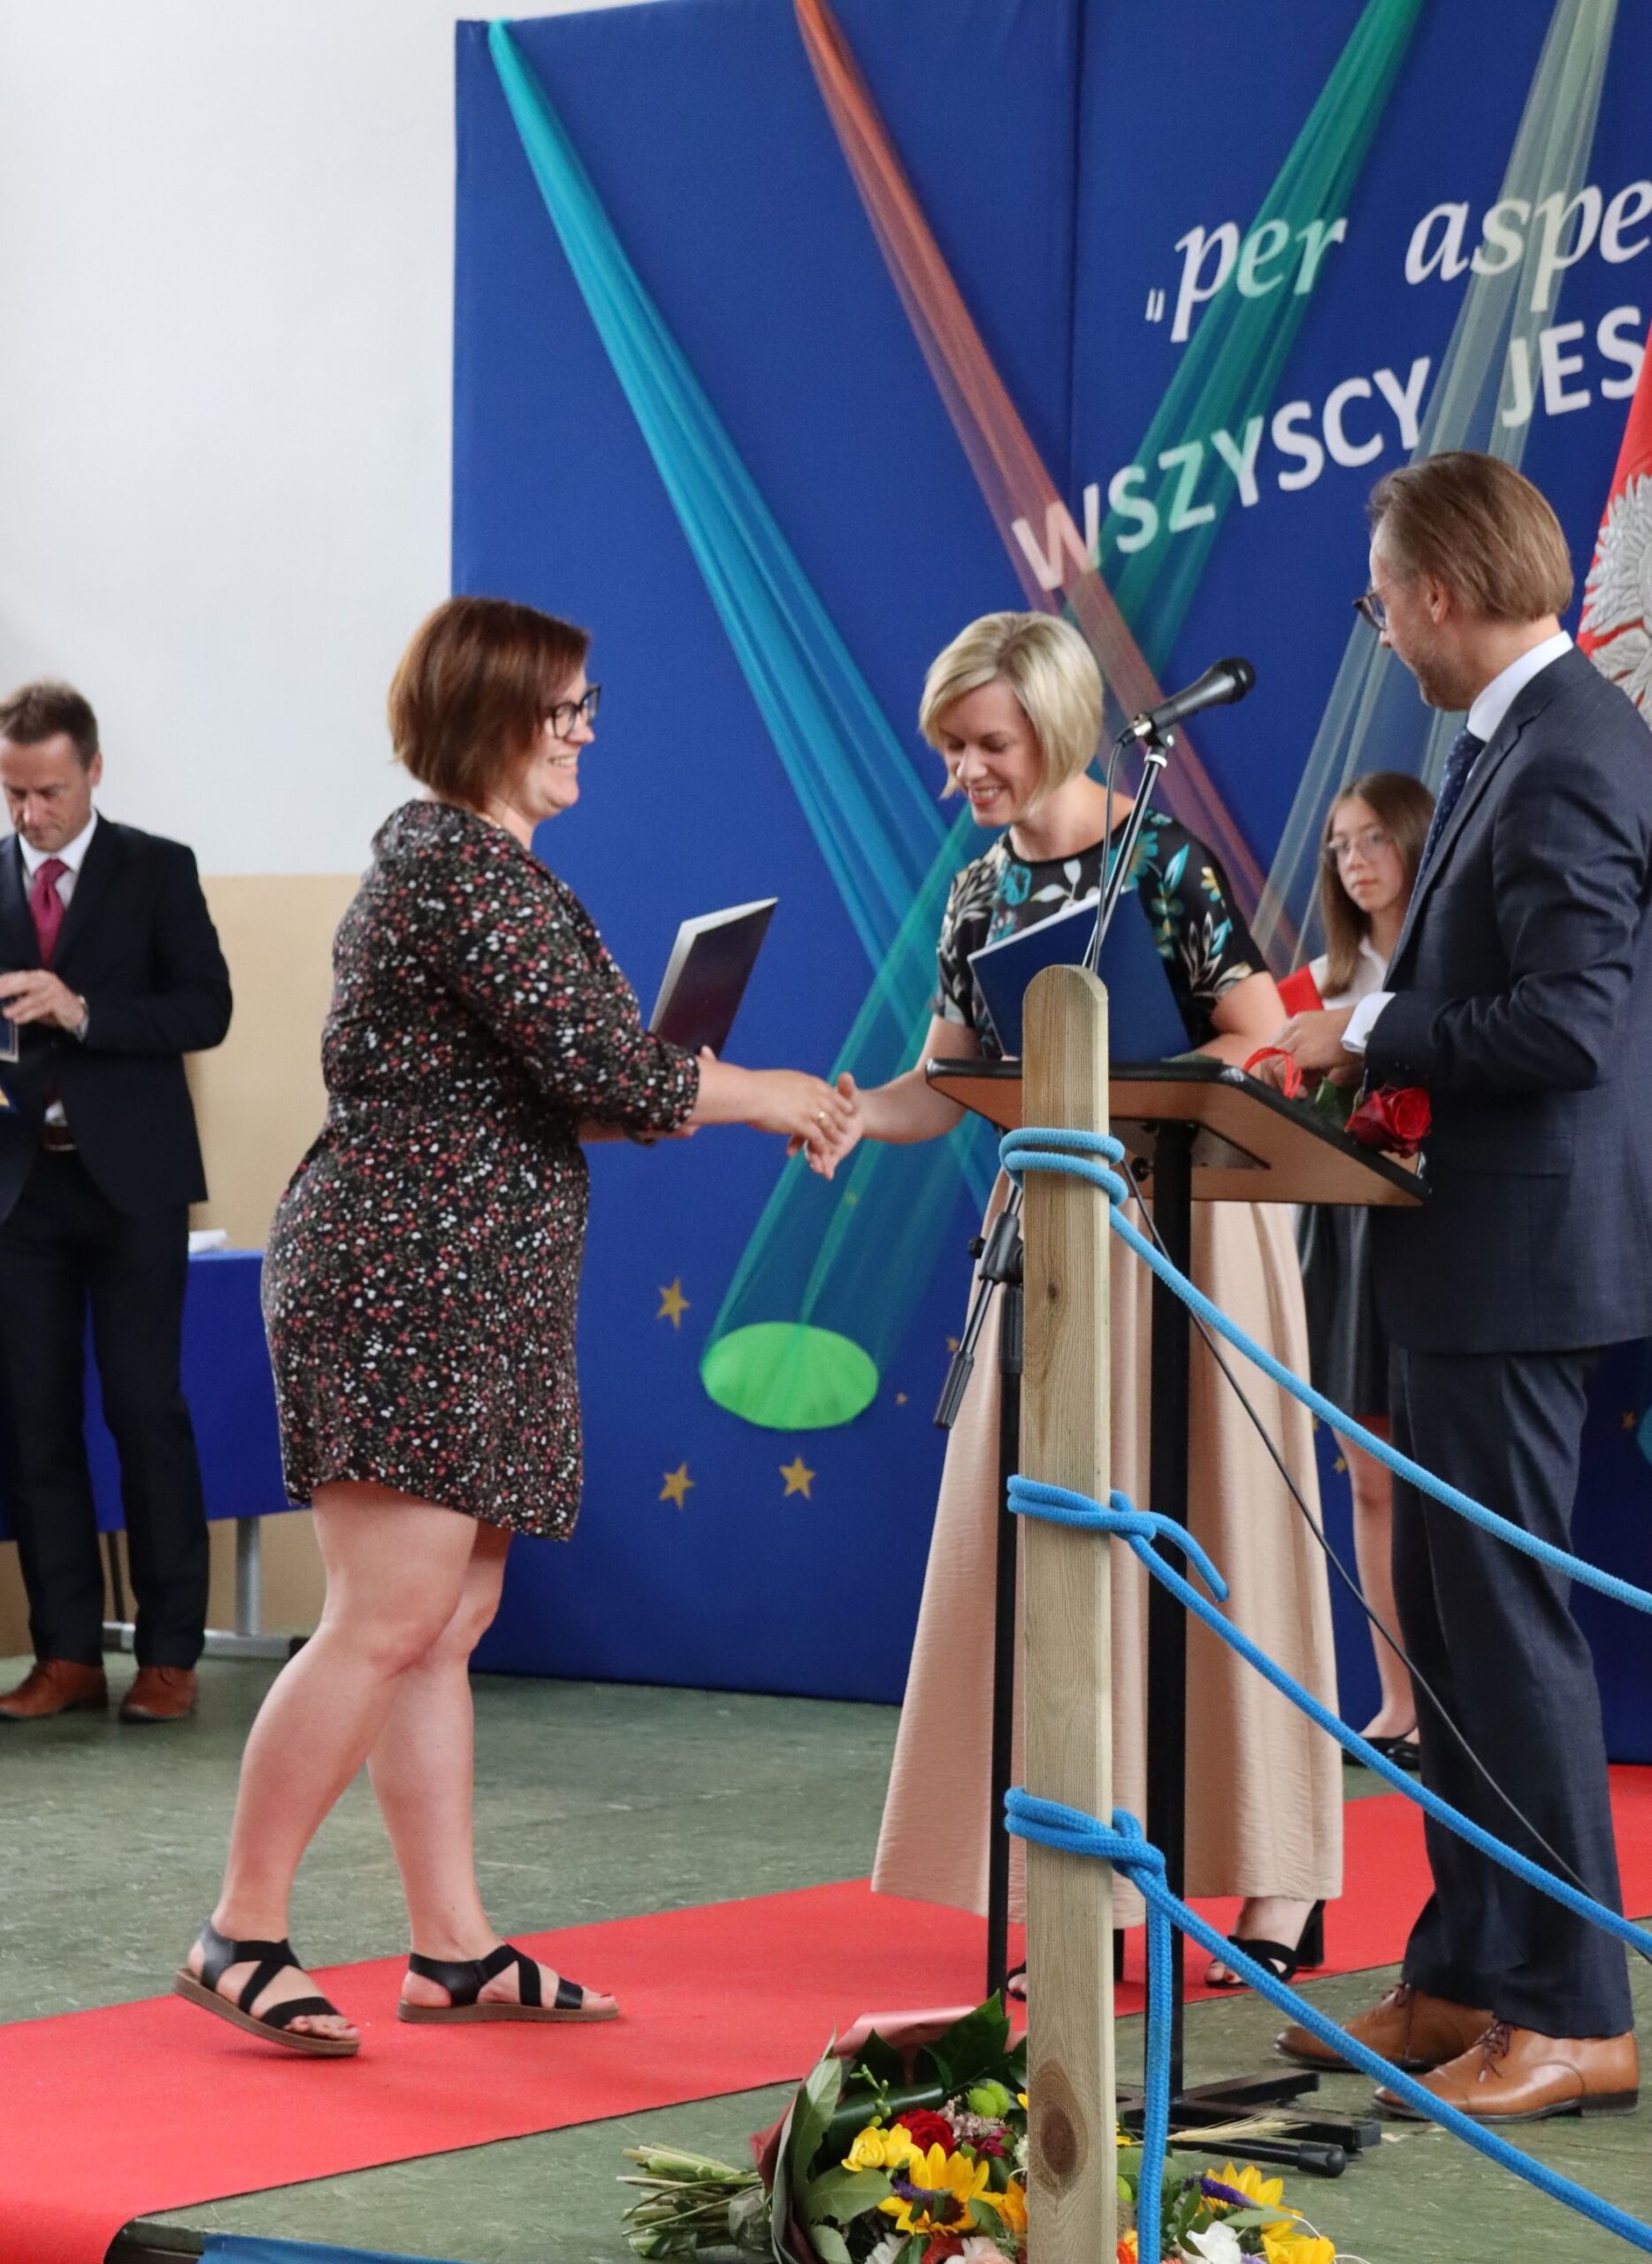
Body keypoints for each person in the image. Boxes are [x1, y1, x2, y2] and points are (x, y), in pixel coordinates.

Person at [175, 597, 852, 2054]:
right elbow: (613, 1069)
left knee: (444, 1623)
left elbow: (579, 1091)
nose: (587, 731)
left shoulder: (486, 874)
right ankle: (241, 1927)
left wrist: (679, 1086)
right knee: (385, 1615)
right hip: (403, 1285)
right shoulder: (456, 870)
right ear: (496, 714)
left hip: (467, 1290)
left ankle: (454, 1950)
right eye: (567, 708)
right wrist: (770, 1095)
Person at [823, 612, 1342, 1992]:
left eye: (987, 744)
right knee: (1056, 1560)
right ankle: (1081, 1888)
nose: (966, 773)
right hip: (1051, 1231)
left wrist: (1125, 1087)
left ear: (1056, 725)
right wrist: (849, 1115)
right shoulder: (977, 893)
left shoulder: (1164, 862)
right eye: (952, 748)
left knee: (1225, 1538)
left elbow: (1256, 1038)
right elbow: (946, 1081)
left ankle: (1281, 1876)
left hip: (1191, 1233)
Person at [1266, 453, 1652, 2122]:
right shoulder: (1510, 736)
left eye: (1378, 603)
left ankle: (1574, 2011)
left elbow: (1569, 1025)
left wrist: (1366, 1025)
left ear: (1433, 592)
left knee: (1500, 1626)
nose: (1382, 632)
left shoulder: (1569, 746)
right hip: (1468, 1253)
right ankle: (1472, 1971)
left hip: (1518, 1258)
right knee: (1444, 1623)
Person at [0, 682, 233, 1726]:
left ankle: (171, 1652)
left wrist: (83, 1010)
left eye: (49, 791)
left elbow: (206, 1009)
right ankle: (66, 1653)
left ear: (93, 771)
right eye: (13, 793)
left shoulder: (158, 868)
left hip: (133, 1184)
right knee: (33, 1419)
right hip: (19, 1191)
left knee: (145, 1409)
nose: (31, 813)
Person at [1294, 772, 1434, 1767]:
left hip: (1437, 1228)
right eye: (1340, 844)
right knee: (1372, 1479)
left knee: (1450, 1483)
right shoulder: (1317, 983)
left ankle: (1456, 1706)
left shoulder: (1447, 964)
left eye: (1374, 837)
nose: (1355, 860)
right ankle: (1395, 1701)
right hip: (1343, 1239)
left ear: (1417, 840)